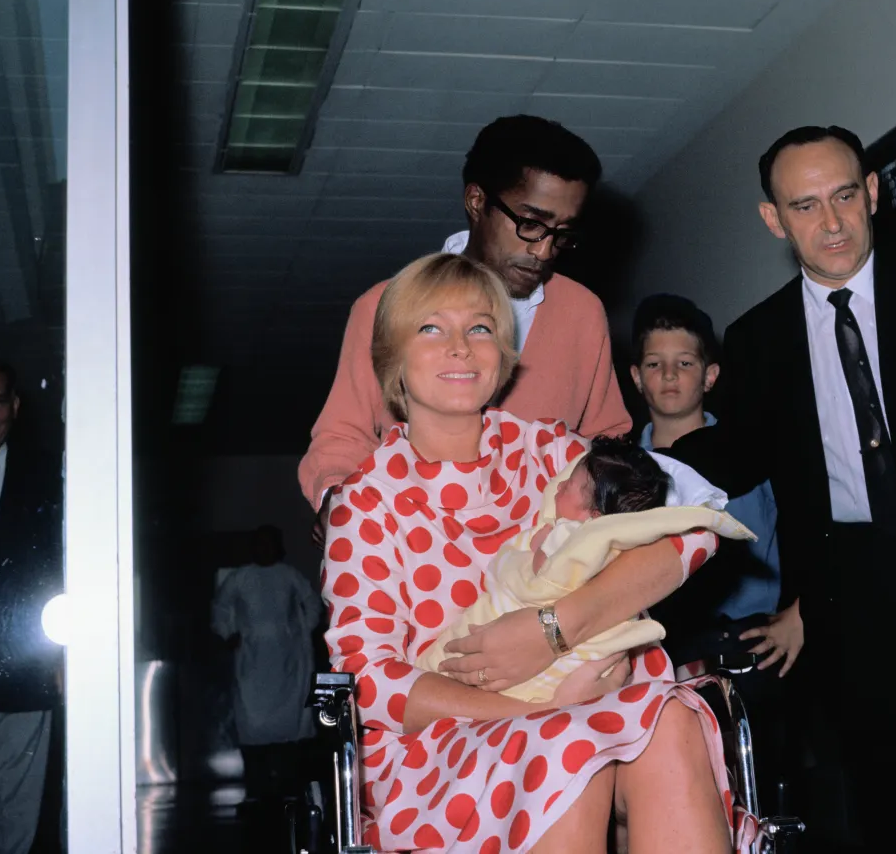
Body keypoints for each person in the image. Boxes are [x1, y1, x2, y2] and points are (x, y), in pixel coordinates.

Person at [323, 251, 750, 854]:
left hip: (591, 695)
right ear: (391, 358)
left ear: (503, 355)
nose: (460, 346)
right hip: (436, 746)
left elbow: (697, 528)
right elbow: (369, 681)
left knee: (671, 722)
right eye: (430, 327)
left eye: (480, 327)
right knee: (563, 742)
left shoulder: (550, 449)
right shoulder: (365, 503)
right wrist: (534, 703)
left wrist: (556, 628)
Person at [669, 125, 896, 850]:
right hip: (853, 599)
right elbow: (738, 452)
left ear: (873, 191)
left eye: (845, 195)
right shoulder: (758, 338)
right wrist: (637, 473)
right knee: (892, 798)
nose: (832, 222)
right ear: (774, 219)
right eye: (805, 206)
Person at [299, 115, 632, 534]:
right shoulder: (384, 306)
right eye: (530, 223)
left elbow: (607, 438)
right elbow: (342, 436)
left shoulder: (582, 312)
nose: (544, 251)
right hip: (418, 549)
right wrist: (338, 501)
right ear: (477, 202)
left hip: (540, 561)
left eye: (563, 233)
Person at [415, 435, 755, 704]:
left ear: (594, 518)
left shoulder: (574, 536)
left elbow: (543, 579)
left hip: (549, 667)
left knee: (449, 661)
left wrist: (538, 555)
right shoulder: (606, 533)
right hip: (539, 683)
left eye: (567, 487)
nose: (557, 486)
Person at [630, 295, 787, 814]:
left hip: (751, 645)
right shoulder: (621, 468)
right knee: (679, 803)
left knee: (758, 795)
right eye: (655, 364)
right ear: (636, 378)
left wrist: (799, 612)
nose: (670, 376)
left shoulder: (751, 451)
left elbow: (798, 534)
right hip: (659, 655)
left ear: (711, 375)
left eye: (685, 363)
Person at [0, 360, 63, 854]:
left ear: (15, 407)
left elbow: (64, 568)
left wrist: (65, 654)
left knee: (13, 814)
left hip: (25, 661)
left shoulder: (49, 475)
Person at [211, 524, 323, 805]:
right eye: (259, 543)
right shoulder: (240, 577)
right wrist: (227, 634)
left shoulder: (289, 576)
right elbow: (221, 608)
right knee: (252, 721)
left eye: (268, 543)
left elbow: (312, 603)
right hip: (252, 661)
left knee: (290, 723)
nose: (264, 548)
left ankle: (289, 785)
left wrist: (302, 632)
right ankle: (257, 786)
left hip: (288, 661)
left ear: (277, 546)